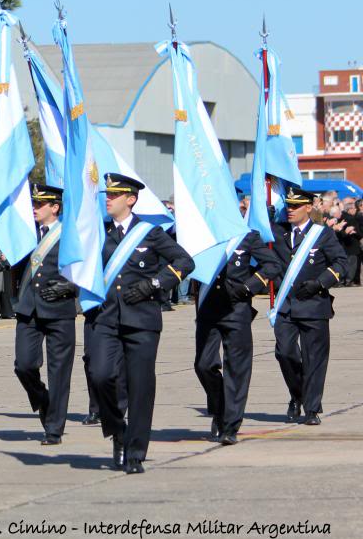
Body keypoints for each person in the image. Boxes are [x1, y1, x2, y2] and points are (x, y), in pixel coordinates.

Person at [85, 173, 194, 474]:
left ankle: (134, 451)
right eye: (107, 194)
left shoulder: (151, 233)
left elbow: (185, 262)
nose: (107, 198)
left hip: (142, 320)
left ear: (130, 199)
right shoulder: (97, 232)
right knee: (100, 375)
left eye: (114, 195)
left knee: (140, 386)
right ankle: (117, 429)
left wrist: (155, 283)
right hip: (106, 318)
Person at [194, 224, 280, 444]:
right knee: (203, 365)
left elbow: (272, 265)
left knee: (237, 368)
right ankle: (219, 409)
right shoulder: (202, 232)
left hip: (236, 309)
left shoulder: (247, 237)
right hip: (208, 307)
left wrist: (250, 286)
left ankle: (230, 425)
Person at [270, 185, 348, 426]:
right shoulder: (278, 234)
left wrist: (319, 283)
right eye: (288, 206)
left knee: (314, 359)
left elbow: (342, 264)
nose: (290, 210)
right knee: (284, 353)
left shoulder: (322, 234)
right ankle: (298, 394)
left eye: (295, 206)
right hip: (286, 307)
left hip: (314, 305)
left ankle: (311, 408)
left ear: (307, 207)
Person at [11, 184, 77, 446]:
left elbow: (89, 268)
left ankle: (54, 428)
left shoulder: (70, 235)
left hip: (59, 309)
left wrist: (72, 287)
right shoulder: (25, 233)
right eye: (34, 204)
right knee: (24, 365)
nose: (35, 208)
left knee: (59, 371)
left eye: (40, 204)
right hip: (29, 308)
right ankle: (43, 400)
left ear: (55, 207)